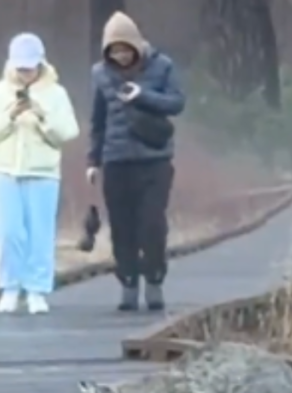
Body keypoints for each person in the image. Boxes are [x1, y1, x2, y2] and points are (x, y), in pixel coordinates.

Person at [86, 11, 186, 312]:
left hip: (154, 159)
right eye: (114, 51)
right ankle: (128, 282)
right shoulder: (100, 74)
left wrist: (143, 96)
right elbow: (98, 120)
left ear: (136, 45)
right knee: (122, 226)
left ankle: (154, 278)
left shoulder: (162, 66)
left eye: (125, 49)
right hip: (116, 160)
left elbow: (177, 102)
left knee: (152, 224)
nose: (120, 56)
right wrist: (93, 159)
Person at [0, 32, 80, 315]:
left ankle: (37, 290)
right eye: (20, 68)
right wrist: (10, 115)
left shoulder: (56, 94)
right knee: (8, 231)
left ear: (41, 64)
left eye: (29, 67)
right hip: (5, 171)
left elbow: (67, 132)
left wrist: (42, 116)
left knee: (40, 234)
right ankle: (10, 287)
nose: (25, 73)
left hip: (43, 173)